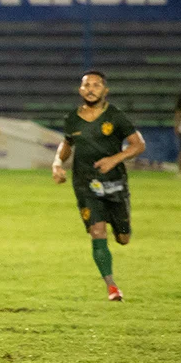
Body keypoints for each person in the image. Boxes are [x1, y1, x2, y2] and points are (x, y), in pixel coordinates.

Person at [52, 71, 146, 301]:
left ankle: (117, 222)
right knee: (97, 231)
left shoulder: (115, 116)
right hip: (85, 184)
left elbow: (138, 144)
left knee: (123, 238)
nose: (91, 89)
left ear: (105, 91)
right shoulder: (72, 118)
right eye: (87, 85)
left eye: (97, 85)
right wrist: (57, 163)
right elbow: (67, 145)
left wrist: (114, 159)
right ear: (81, 90)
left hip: (114, 183)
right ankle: (112, 287)